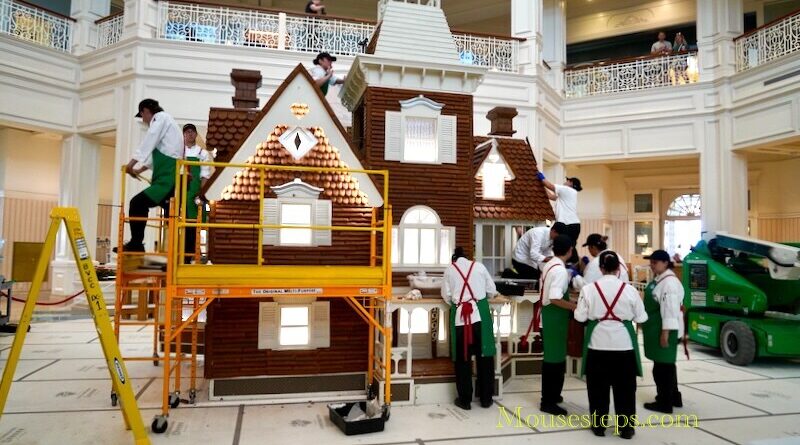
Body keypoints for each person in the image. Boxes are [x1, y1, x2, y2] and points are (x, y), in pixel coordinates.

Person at [575, 251, 647, 439]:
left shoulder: (589, 289)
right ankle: (626, 428)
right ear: (618, 269)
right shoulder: (630, 290)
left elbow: (580, 316)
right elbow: (642, 317)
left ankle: (599, 426)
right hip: (623, 346)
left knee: (597, 387)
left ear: (600, 269)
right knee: (625, 388)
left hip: (597, 345)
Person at [119, 99, 183, 252]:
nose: (144, 120)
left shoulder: (161, 118)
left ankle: (136, 244)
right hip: (168, 178)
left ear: (145, 111)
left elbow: (149, 141)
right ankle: (175, 252)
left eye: (142, 116)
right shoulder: (169, 124)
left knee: (136, 203)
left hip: (166, 180)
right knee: (170, 216)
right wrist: (139, 170)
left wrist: (131, 165)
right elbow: (161, 153)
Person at [442, 247, 497, 411]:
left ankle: (465, 400)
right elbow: (492, 291)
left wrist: (461, 300)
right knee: (485, 357)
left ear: (454, 259)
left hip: (460, 318)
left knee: (463, 360)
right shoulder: (479, 267)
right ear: (467, 257)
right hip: (480, 315)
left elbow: (446, 296)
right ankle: (486, 399)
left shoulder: (449, 270)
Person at [642, 249, 685, 414]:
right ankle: (674, 397)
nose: (652, 265)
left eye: (655, 262)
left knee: (662, 369)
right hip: (655, 328)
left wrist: (665, 333)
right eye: (651, 262)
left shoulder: (669, 283)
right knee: (666, 366)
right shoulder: (661, 280)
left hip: (664, 329)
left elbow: (670, 310)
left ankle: (664, 402)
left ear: (666, 263)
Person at [539, 234, 578, 415]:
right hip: (555, 317)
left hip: (548, 316)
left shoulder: (550, 264)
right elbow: (554, 298)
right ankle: (548, 401)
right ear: (570, 250)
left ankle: (552, 395)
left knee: (552, 359)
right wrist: (574, 306)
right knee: (554, 361)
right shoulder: (560, 271)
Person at [182, 124, 212, 262]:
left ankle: (192, 254)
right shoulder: (177, 152)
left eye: (192, 131)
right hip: (179, 191)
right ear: (183, 134)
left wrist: (200, 193)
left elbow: (205, 175)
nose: (190, 134)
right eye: (187, 132)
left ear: (195, 134)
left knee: (193, 224)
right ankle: (180, 254)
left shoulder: (202, 153)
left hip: (193, 193)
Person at [537, 172, 582, 264]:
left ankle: (566, 263)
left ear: (571, 183)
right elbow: (550, 196)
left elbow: (549, 185)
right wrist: (540, 186)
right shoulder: (568, 194)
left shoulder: (567, 190)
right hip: (573, 225)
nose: (565, 182)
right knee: (569, 246)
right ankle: (572, 264)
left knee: (561, 244)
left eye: (568, 180)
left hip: (566, 224)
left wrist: (540, 177)